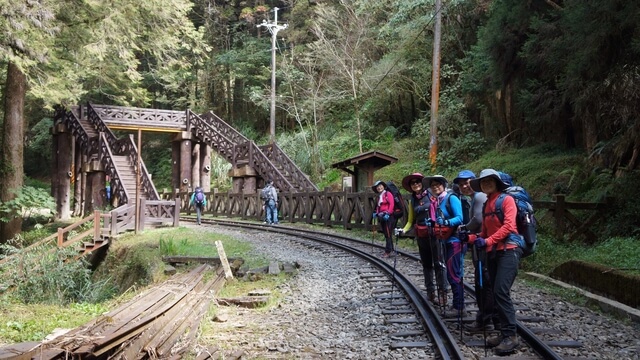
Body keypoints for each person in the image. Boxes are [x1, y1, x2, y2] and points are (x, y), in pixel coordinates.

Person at [468, 169, 522, 355]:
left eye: (490, 181)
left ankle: (511, 336)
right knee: (495, 291)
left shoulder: (507, 200)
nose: (486, 184)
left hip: (509, 251)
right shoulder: (487, 204)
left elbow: (509, 226)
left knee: (500, 291)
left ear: (497, 182)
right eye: (483, 182)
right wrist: (470, 238)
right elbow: (485, 233)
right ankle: (503, 333)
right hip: (493, 253)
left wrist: (488, 241)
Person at [454, 170, 497, 332]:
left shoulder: (479, 197)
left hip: (484, 246)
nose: (465, 186)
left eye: (467, 182)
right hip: (482, 244)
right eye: (461, 184)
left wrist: (465, 228)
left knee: (484, 283)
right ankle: (486, 318)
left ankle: (486, 320)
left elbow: (478, 220)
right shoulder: (477, 198)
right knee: (485, 282)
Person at [399, 173, 447, 305]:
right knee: (426, 264)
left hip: (435, 234)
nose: (415, 184)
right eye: (412, 183)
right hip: (421, 235)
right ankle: (430, 292)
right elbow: (410, 221)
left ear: (422, 183)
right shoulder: (412, 200)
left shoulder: (432, 194)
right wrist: (403, 230)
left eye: (418, 182)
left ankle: (443, 293)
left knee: (439, 264)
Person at [422, 175, 465, 318]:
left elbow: (460, 218)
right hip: (445, 240)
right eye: (433, 185)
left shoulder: (451, 198)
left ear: (444, 185)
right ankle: (457, 305)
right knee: (451, 273)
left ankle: (459, 307)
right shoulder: (438, 200)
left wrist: (445, 222)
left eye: (438, 184)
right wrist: (433, 223)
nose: (435, 187)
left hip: (455, 240)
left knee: (454, 274)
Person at [372, 180, 396, 258]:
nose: (379, 187)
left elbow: (392, 204)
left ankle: (388, 251)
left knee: (388, 233)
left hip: (388, 216)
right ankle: (391, 249)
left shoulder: (388, 194)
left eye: (380, 186)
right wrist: (376, 212)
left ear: (383, 186)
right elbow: (379, 206)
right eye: (377, 187)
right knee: (386, 233)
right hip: (382, 216)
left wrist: (388, 213)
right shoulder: (380, 196)